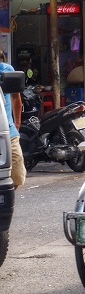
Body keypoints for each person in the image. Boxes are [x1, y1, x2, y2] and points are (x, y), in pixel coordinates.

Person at [0, 51, 24, 190]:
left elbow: (16, 98)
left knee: (17, 169)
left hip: (7, 129)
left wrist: (17, 122)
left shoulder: (7, 70)